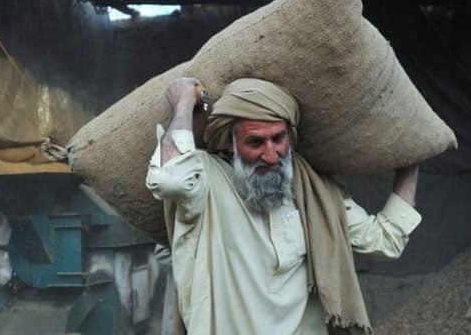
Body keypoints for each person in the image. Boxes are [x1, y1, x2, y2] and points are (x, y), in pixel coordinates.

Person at [146, 77, 422, 335]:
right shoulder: (206, 179)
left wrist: (412, 160)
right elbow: (171, 180)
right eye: (255, 142)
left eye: (278, 138)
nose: (270, 155)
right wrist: (183, 102)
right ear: (230, 145)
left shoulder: (314, 192)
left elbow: (385, 240)